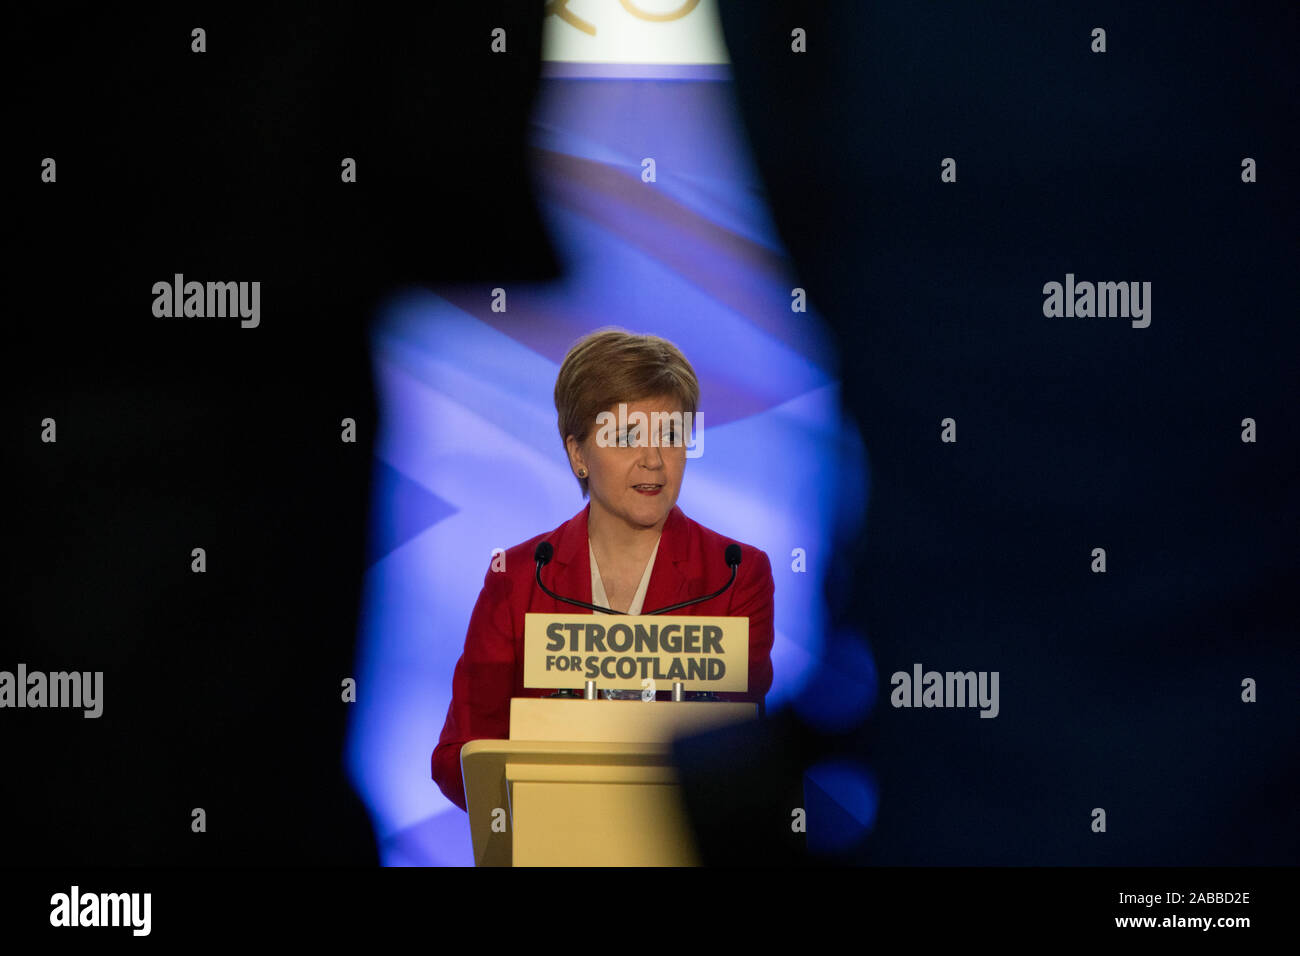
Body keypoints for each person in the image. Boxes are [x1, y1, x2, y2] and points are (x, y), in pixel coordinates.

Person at [431, 328, 775, 811]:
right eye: (628, 437)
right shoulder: (519, 577)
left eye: (671, 436)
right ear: (578, 454)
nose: (654, 460)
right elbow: (458, 756)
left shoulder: (737, 575)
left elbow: (738, 750)